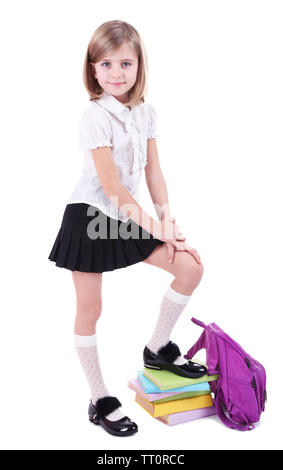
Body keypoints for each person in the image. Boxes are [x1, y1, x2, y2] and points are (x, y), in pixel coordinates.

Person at [48, 19, 206, 438]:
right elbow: (113, 187)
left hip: (127, 214)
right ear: (92, 69)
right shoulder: (94, 117)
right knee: (90, 310)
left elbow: (154, 173)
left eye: (126, 63)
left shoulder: (147, 114)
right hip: (91, 218)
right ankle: (99, 398)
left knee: (190, 268)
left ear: (139, 66)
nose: (116, 73)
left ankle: (157, 349)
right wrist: (157, 228)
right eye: (106, 64)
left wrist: (167, 220)